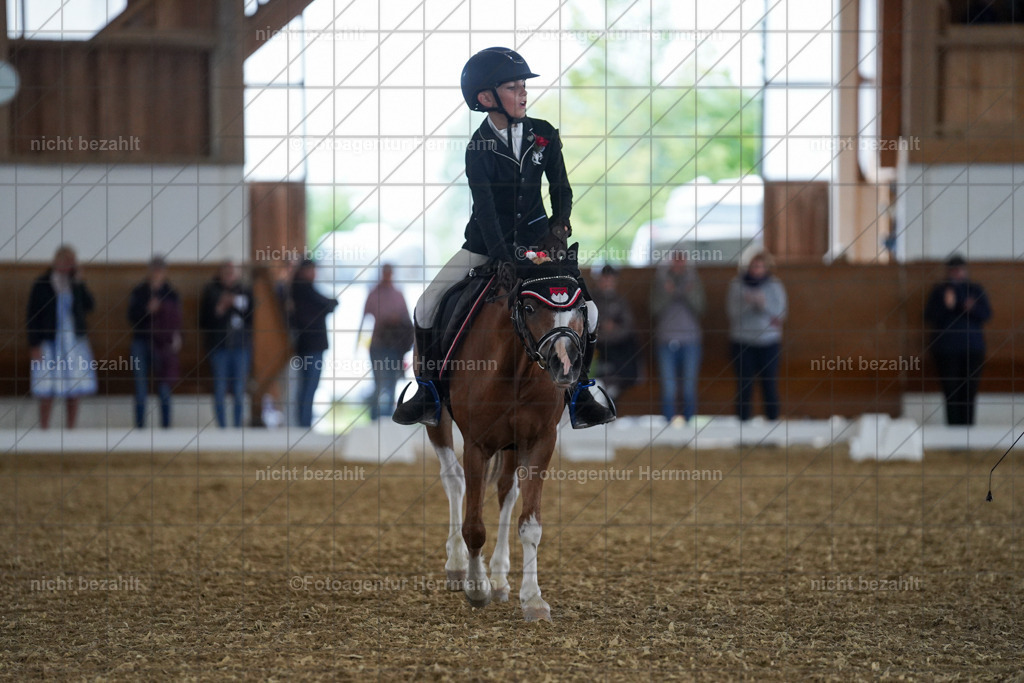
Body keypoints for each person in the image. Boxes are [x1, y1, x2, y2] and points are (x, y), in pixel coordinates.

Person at [392, 47, 615, 429]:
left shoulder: (544, 134)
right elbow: (487, 211)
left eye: (524, 86)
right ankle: (427, 390)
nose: (524, 93)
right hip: (485, 246)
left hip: (542, 247)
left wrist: (559, 226)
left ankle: (580, 391)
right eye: (514, 87)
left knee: (589, 311)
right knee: (426, 305)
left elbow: (560, 188)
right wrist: (505, 255)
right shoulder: (477, 148)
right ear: (486, 98)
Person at [26, 244, 98, 429]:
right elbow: (32, 315)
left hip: (73, 341)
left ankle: (71, 430)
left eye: (72, 262)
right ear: (57, 261)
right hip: (49, 341)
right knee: (46, 386)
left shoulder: (75, 284)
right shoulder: (42, 284)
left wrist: (80, 283)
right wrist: (34, 344)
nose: (69, 265)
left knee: (74, 385)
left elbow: (90, 305)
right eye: (66, 261)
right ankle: (44, 428)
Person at [924, 254, 992, 425]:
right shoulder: (940, 291)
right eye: (953, 270)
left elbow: (987, 314)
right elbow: (929, 316)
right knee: (951, 391)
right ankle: (953, 433)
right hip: (946, 350)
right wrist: (946, 305)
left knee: (969, 391)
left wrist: (971, 307)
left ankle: (968, 430)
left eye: (959, 270)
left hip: (972, 349)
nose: (957, 274)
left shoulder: (975, 289)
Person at [726, 250, 787, 422]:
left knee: (769, 385)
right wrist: (748, 303)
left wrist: (763, 304)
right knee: (744, 387)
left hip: (769, 343)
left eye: (760, 266)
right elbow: (732, 312)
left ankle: (772, 427)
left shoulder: (774, 285)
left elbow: (780, 314)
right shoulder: (737, 285)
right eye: (753, 265)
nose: (756, 269)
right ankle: (743, 428)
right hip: (742, 343)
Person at [127, 256, 182, 429]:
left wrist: (177, 336)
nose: (157, 273)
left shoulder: (171, 293)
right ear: (149, 271)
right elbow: (131, 318)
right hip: (141, 342)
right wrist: (146, 310)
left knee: (164, 388)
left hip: (163, 346)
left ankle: (166, 429)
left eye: (160, 270)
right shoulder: (139, 292)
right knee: (141, 387)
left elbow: (177, 319)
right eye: (154, 269)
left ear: (165, 272)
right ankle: (140, 429)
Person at [651, 252, 705, 423]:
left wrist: (689, 293)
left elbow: (702, 308)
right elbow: (653, 309)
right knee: (669, 388)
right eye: (676, 260)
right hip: (666, 341)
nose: (679, 264)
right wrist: (667, 293)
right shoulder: (660, 281)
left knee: (689, 387)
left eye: (682, 260)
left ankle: (689, 426)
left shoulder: (694, 281)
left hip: (691, 341)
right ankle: (668, 428)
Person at [200, 261, 254, 428]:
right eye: (226, 272)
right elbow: (203, 321)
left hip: (241, 347)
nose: (229, 276)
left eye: (232, 272)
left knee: (239, 389)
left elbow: (252, 319)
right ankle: (222, 428)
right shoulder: (210, 292)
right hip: (219, 348)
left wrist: (236, 305)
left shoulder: (245, 291)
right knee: (220, 387)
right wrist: (220, 308)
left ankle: (237, 427)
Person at [289, 259, 338, 428]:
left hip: (306, 346)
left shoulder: (298, 289)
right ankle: (304, 424)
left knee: (306, 386)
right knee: (309, 386)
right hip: (311, 345)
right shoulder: (304, 289)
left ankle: (303, 423)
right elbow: (328, 304)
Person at [361, 264, 413, 420]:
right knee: (379, 383)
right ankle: (374, 419)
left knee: (390, 384)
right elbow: (363, 319)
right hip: (378, 344)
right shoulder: (374, 294)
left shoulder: (398, 295)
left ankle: (387, 420)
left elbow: (408, 321)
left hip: (394, 347)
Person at [590, 265, 639, 401]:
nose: (606, 282)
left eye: (609, 279)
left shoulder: (620, 301)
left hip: (617, 350)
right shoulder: (590, 301)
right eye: (604, 279)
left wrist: (614, 329)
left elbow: (627, 325)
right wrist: (601, 327)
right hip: (596, 349)